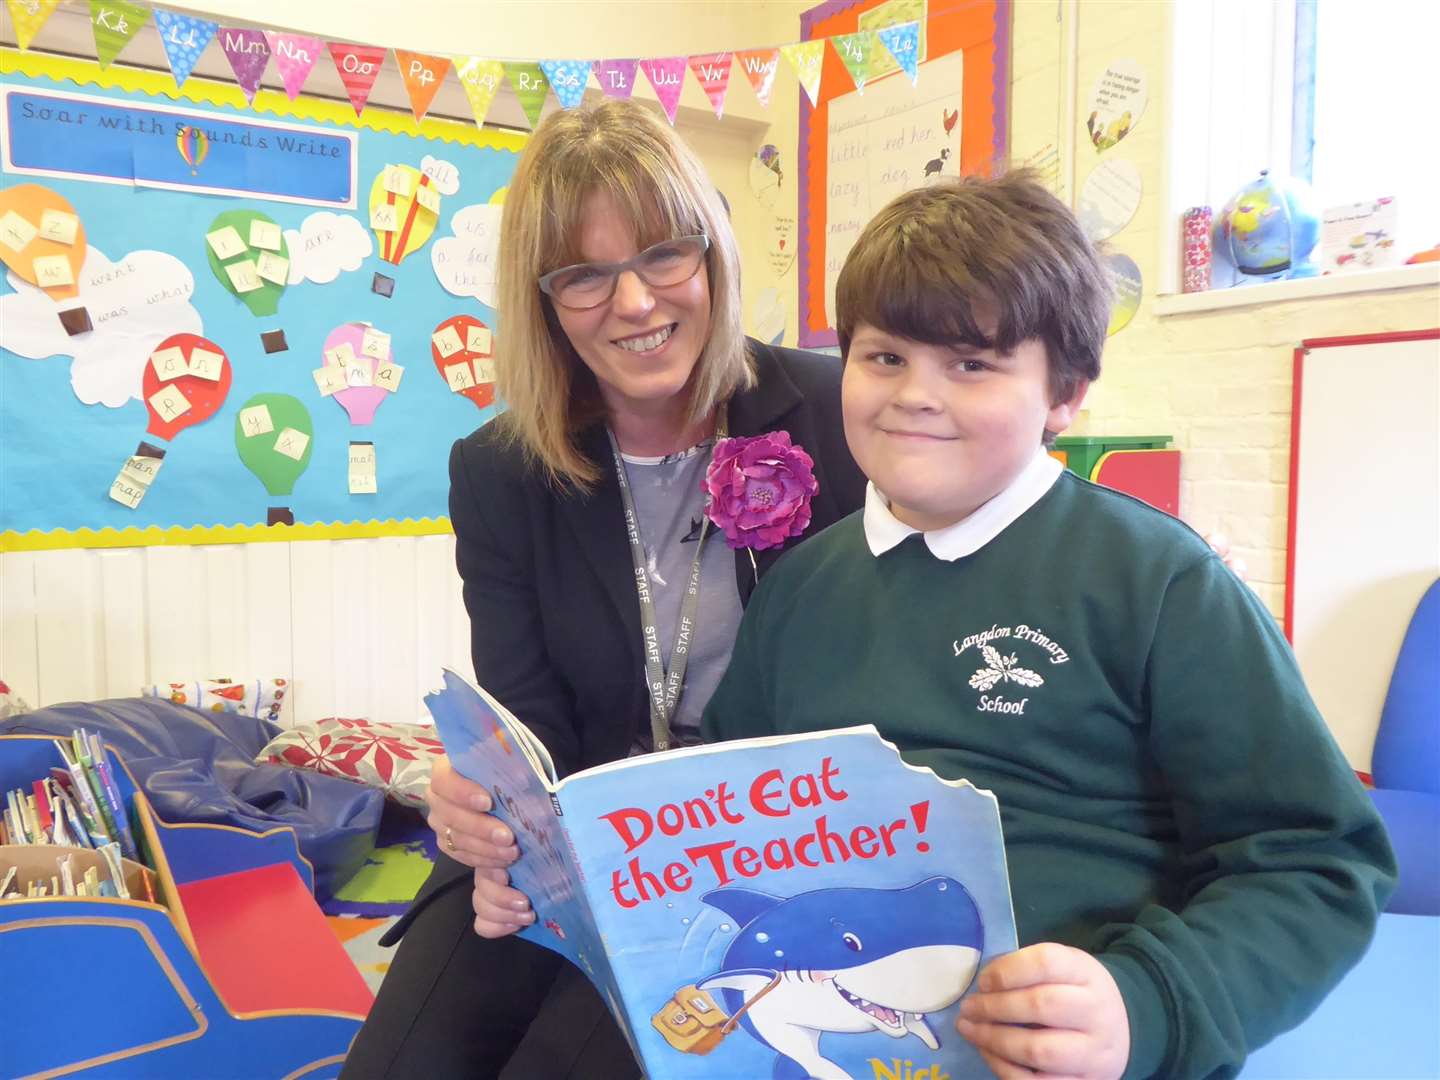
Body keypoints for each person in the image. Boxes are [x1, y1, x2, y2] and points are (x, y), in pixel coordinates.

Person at [701, 173, 1397, 1080]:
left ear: (1065, 393)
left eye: (972, 364)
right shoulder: (798, 589)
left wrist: (1142, 1006)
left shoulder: (1156, 582)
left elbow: (1316, 861)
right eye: (883, 358)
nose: (916, 394)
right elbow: (719, 813)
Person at [341, 100, 865, 1079]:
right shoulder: (501, 469)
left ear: (712, 255)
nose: (633, 303)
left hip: (768, 866)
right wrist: (487, 814)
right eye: (585, 273)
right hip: (568, 857)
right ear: (545, 299)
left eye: (664, 254)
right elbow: (526, 717)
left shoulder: (834, 413)